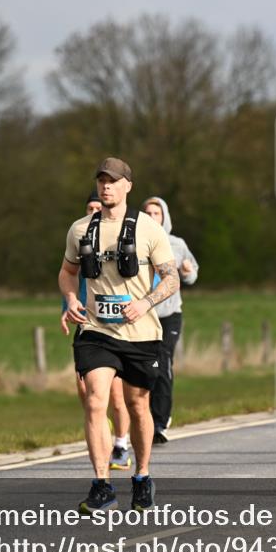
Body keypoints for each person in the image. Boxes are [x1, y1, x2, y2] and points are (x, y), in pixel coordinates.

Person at [60, 157, 178, 513]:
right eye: (101, 181)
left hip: (140, 332)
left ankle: (142, 477)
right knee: (96, 401)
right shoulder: (80, 229)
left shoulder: (149, 230)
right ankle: (101, 485)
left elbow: (170, 278)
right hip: (96, 329)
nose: (106, 187)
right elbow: (67, 271)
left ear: (128, 185)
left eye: (113, 181)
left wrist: (146, 302)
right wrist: (70, 297)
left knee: (138, 405)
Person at [60, 192, 133, 470]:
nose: (94, 211)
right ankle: (102, 455)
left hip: (117, 328)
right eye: (89, 207)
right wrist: (67, 307)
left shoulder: (116, 238)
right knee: (89, 396)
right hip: (87, 325)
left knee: (117, 396)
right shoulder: (80, 237)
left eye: (97, 207)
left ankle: (121, 444)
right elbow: (68, 277)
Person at [142, 196, 199, 443]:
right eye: (148, 213)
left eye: (156, 213)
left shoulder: (177, 244)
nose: (152, 217)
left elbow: (192, 275)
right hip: (143, 315)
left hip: (169, 315)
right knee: (145, 369)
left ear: (164, 217)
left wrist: (188, 272)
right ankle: (142, 418)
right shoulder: (138, 242)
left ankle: (159, 423)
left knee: (162, 364)